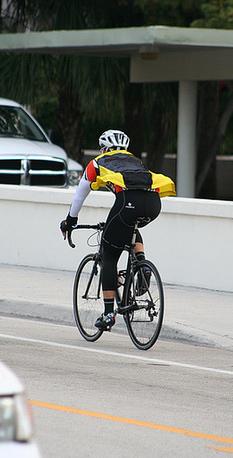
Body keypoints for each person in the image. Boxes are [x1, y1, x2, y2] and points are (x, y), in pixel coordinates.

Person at [60, 129, 176, 331]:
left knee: (109, 255)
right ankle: (142, 265)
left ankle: (108, 314)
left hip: (128, 204)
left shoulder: (98, 162)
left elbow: (79, 195)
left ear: (103, 148)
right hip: (154, 204)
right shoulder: (135, 161)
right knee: (131, 225)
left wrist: (69, 222)